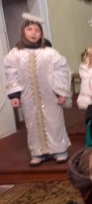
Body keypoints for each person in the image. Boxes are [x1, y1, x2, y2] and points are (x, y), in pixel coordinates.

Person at [4, 12, 71, 167]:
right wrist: (15, 95)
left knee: (54, 122)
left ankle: (59, 150)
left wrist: (61, 92)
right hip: (28, 97)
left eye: (37, 30)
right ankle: (38, 152)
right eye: (30, 29)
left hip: (50, 96)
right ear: (23, 32)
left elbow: (61, 71)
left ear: (41, 34)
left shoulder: (50, 53)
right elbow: (11, 74)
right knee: (33, 123)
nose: (33, 33)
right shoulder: (15, 55)